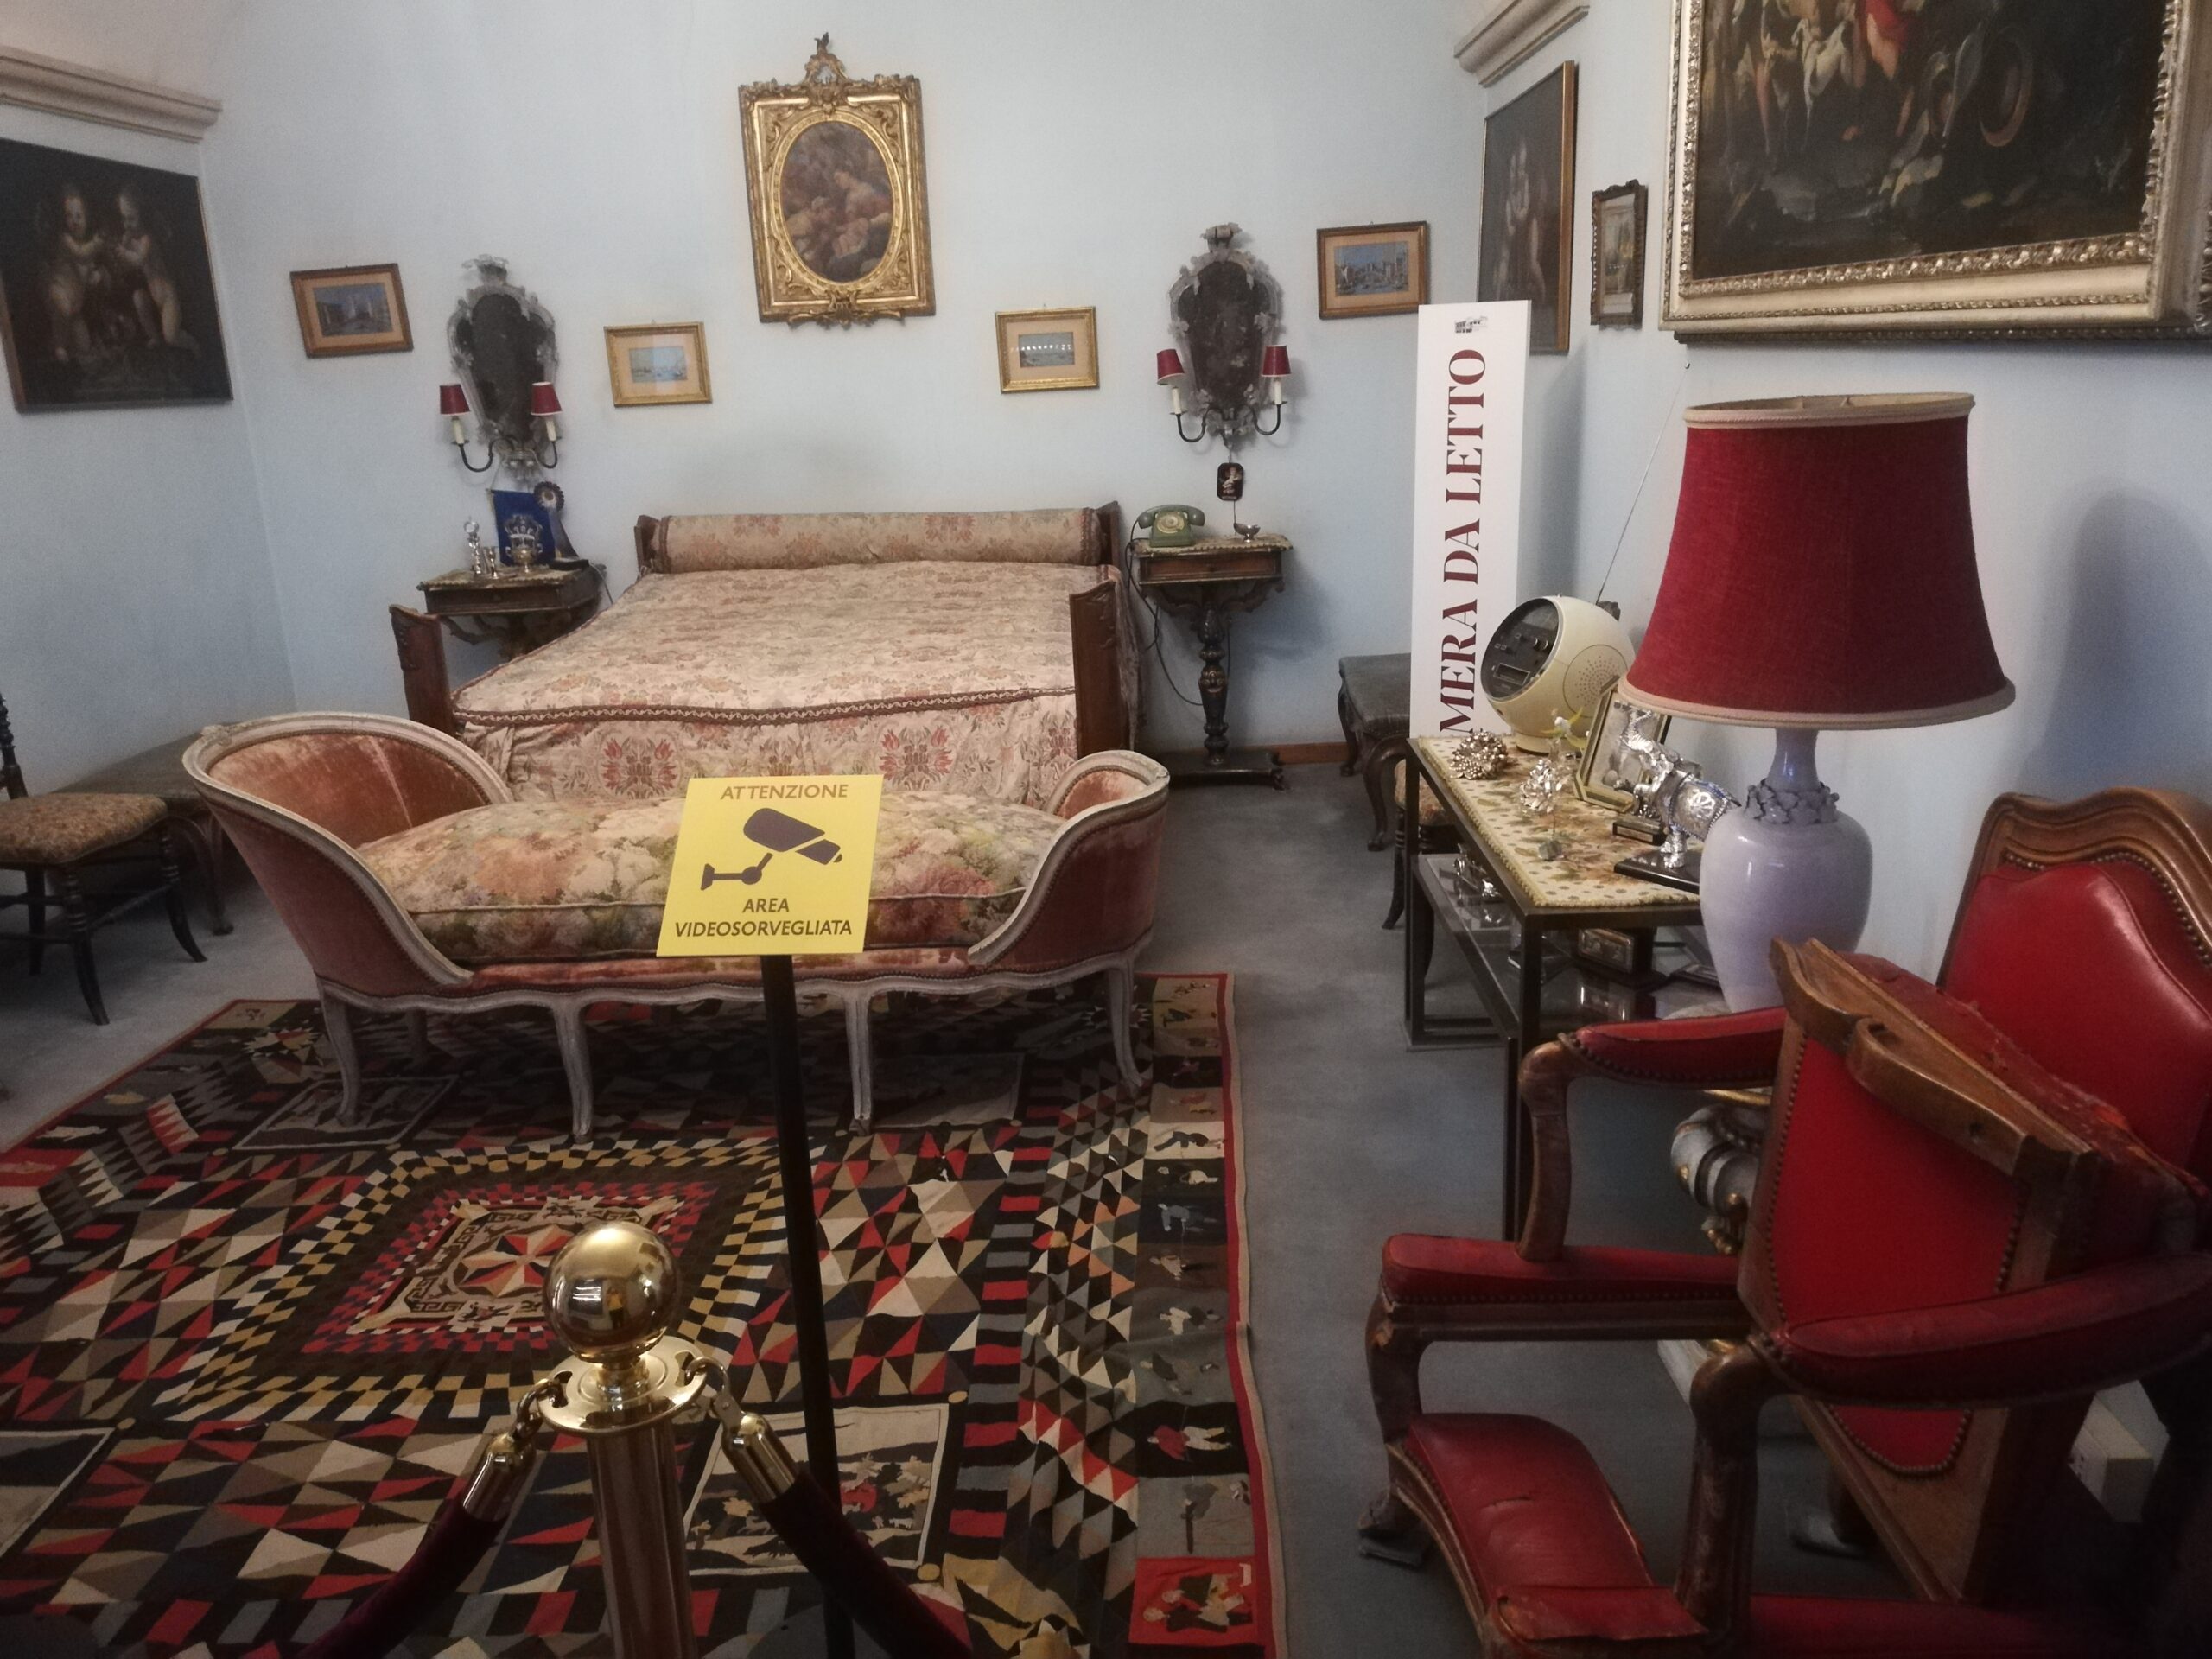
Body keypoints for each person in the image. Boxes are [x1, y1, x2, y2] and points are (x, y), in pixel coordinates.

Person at [112, 183, 196, 353]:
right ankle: (154, 337)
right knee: (138, 298)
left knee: (171, 337)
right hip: (152, 295)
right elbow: (124, 265)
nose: (127, 224)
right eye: (123, 218)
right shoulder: (128, 237)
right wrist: (118, 254)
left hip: (167, 298)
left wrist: (124, 252)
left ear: (142, 216)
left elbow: (139, 260)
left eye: (131, 219)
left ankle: (194, 345)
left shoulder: (147, 239)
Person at [41, 184, 105, 363]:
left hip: (76, 303)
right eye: (69, 216)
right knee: (63, 310)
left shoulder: (87, 246)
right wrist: (96, 243)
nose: (74, 221)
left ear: (87, 219)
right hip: (59, 290)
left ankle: (59, 349)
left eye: (79, 216)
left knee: (84, 345)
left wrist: (96, 276)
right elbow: (81, 254)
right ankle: (59, 346)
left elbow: (89, 270)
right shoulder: (66, 240)